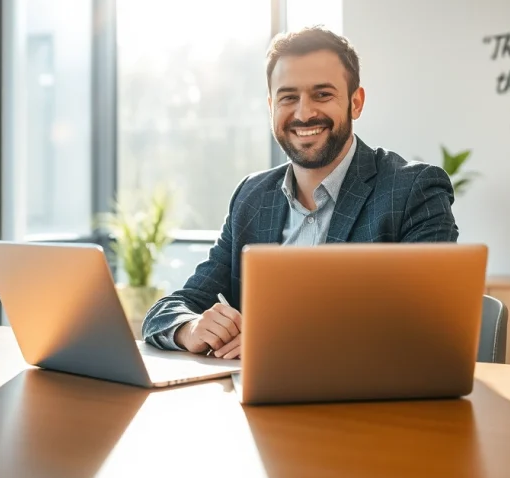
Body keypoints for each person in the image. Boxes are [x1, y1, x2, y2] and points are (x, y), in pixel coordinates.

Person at [140, 26, 459, 359]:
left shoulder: (413, 190)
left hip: (370, 404)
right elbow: (172, 308)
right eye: (288, 97)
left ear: (356, 102)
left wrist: (277, 341)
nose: (304, 113)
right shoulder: (252, 197)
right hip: (256, 402)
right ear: (271, 106)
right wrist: (190, 328)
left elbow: (422, 325)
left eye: (322, 95)